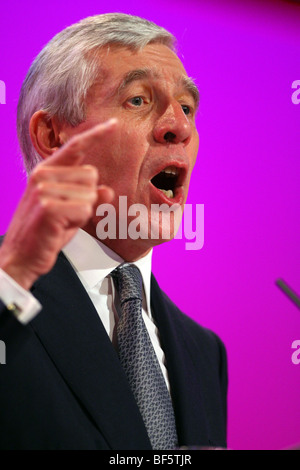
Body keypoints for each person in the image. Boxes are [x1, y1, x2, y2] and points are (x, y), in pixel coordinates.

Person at [0, 13, 227, 450]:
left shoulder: (205, 354)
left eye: (186, 106)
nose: (179, 126)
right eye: (139, 100)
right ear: (52, 135)